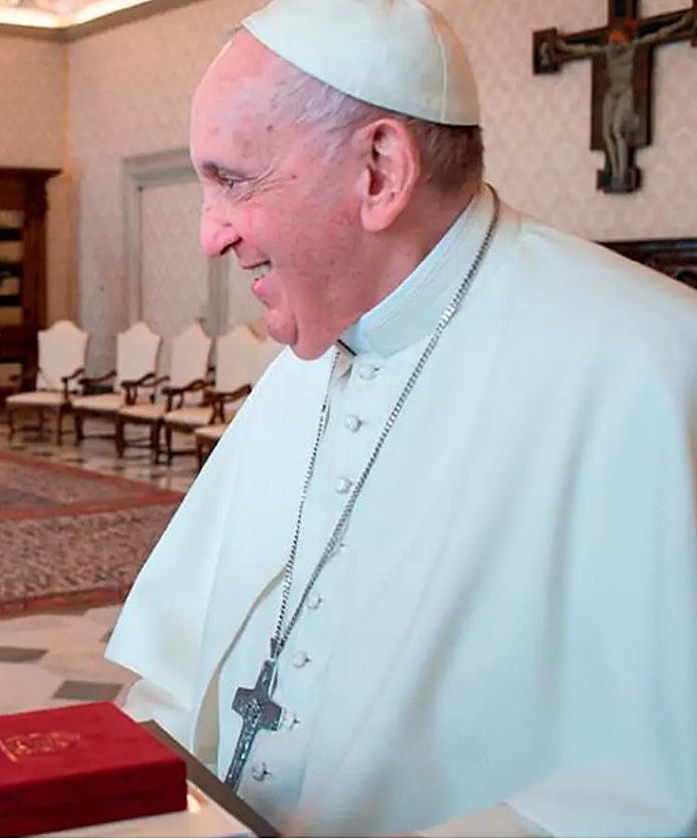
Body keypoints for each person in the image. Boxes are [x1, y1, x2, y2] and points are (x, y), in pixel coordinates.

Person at [105, 0, 697, 835]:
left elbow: (644, 791)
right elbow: (175, 677)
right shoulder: (302, 367)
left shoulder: (653, 369)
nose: (211, 235)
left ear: (380, 171)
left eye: (232, 179)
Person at [550, 11, 695, 188]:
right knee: (606, 133)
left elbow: (660, 33)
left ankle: (620, 172)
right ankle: (614, 171)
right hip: (612, 92)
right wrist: (561, 46)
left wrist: (684, 21)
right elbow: (584, 48)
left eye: (618, 40)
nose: (615, 44)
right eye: (612, 41)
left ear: (625, 39)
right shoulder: (608, 51)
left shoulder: (634, 46)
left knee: (618, 130)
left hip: (626, 91)